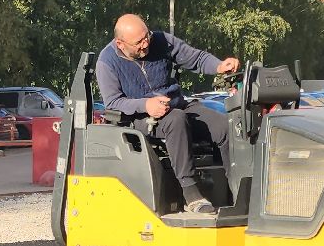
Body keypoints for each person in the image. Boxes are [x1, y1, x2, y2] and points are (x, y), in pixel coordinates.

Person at [93, 13, 240, 214]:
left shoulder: (161, 41)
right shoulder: (107, 62)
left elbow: (196, 58)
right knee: (176, 120)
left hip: (177, 106)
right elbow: (114, 102)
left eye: (147, 36)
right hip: (140, 118)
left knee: (226, 126)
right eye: (139, 42)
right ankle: (191, 195)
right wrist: (146, 105)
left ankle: (238, 191)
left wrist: (219, 65)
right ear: (120, 43)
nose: (146, 44)